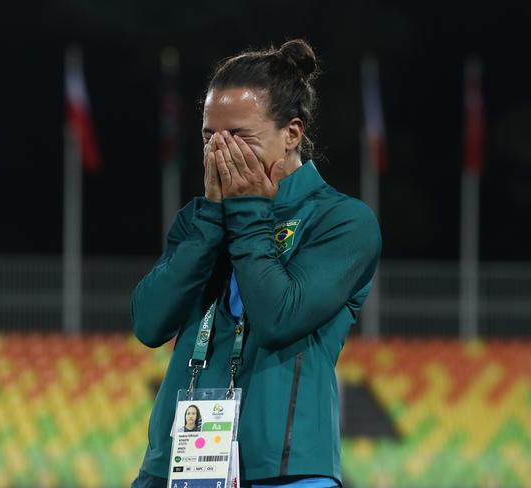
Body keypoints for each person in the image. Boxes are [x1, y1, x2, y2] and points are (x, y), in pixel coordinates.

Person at [131, 39, 381, 488]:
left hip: (285, 471)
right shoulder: (199, 217)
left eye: (239, 137)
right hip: (178, 467)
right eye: (210, 136)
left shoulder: (342, 221)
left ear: (292, 133)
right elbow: (149, 323)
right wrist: (211, 220)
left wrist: (246, 213)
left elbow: (279, 317)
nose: (220, 151)